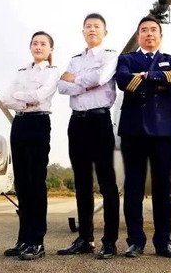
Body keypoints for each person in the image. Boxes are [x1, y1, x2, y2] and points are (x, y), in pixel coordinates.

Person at [116, 16, 171, 258]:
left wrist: (146, 76)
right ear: (138, 36)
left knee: (163, 188)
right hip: (133, 130)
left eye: (154, 30)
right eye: (144, 30)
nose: (149, 34)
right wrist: (160, 80)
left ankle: (163, 242)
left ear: (160, 35)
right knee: (133, 187)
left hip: (162, 130)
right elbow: (123, 81)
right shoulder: (126, 59)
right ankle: (135, 241)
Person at [56, 13, 120, 260]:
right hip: (77, 122)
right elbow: (62, 87)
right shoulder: (75, 59)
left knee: (107, 183)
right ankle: (85, 238)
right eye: (88, 26)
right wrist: (85, 83)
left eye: (96, 26)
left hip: (99, 121)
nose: (92, 30)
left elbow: (101, 78)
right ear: (82, 31)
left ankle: (109, 241)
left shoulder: (110, 56)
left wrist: (76, 80)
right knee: (82, 183)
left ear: (105, 32)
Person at [1, 31, 60, 261]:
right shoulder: (21, 72)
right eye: (35, 43)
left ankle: (37, 241)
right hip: (19, 124)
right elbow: (6, 98)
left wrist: (20, 97)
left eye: (43, 43)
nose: (38, 46)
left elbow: (41, 95)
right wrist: (26, 99)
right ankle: (23, 239)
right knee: (22, 183)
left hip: (38, 123)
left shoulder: (52, 72)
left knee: (36, 182)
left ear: (50, 49)